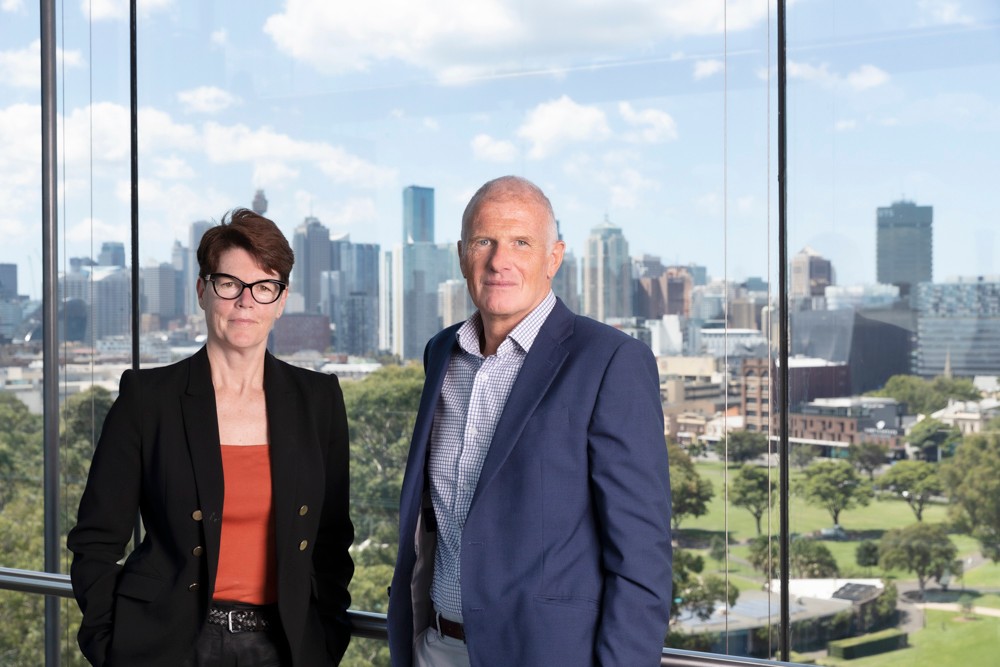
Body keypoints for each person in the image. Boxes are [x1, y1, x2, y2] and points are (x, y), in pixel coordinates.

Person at [387, 176, 672, 666]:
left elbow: (641, 558)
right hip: (434, 647)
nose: (500, 260)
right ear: (462, 256)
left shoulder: (610, 361)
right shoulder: (440, 353)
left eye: (521, 242)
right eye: (484, 241)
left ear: (553, 258)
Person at [67, 209, 354, 666]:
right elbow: (95, 541)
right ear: (202, 291)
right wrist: (109, 645)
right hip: (168, 646)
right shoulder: (148, 399)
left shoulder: (318, 400)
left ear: (281, 300)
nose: (245, 302)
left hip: (285, 647)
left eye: (264, 287)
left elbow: (332, 539)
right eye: (229, 284)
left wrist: (327, 636)